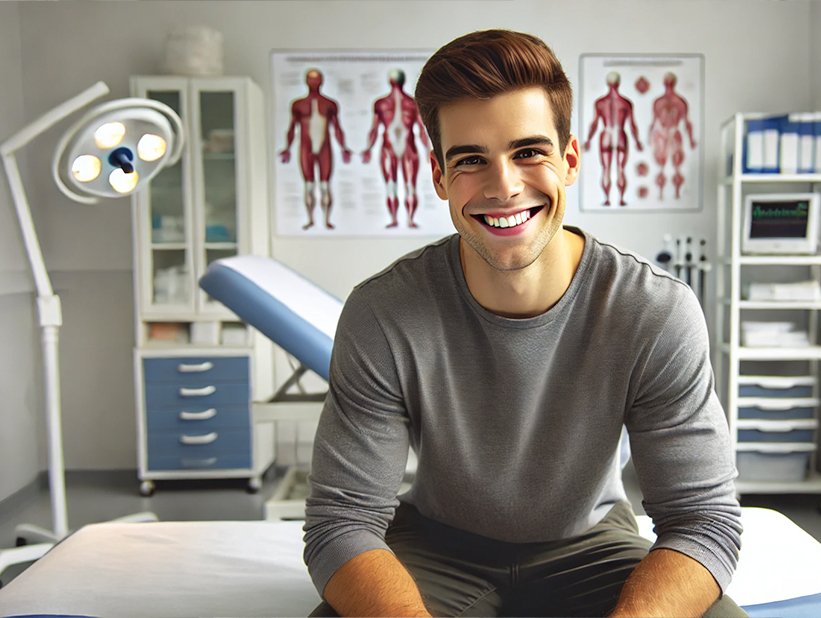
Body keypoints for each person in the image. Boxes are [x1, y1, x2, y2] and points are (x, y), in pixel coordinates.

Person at [304, 29, 743, 618]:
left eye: (529, 152)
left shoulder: (654, 312)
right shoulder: (384, 314)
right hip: (433, 547)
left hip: (592, 545)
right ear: (438, 177)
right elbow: (342, 522)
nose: (504, 185)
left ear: (570, 160)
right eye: (470, 160)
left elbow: (704, 520)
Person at [279, 68, 353, 230]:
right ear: (306, 81)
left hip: (324, 148)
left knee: (325, 185)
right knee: (309, 185)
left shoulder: (330, 104)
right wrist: (287, 148)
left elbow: (337, 128)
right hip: (306, 148)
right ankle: (311, 219)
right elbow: (292, 128)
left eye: (317, 78)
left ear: (322, 81)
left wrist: (343, 147)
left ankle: (326, 219)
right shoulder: (298, 105)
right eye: (311, 78)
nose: (314, 82)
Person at [361, 69, 432, 229]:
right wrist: (427, 149)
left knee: (398, 187)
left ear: (390, 81)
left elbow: (374, 130)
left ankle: (401, 219)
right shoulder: (409, 103)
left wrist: (368, 149)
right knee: (405, 186)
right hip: (400, 148)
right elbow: (421, 129)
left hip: (397, 148)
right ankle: (405, 219)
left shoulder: (386, 103)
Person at [583, 71, 643, 207]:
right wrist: (637, 141)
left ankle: (607, 199)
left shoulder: (600, 103)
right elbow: (632, 125)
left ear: (608, 83)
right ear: (619, 83)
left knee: (606, 169)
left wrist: (588, 140)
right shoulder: (626, 103)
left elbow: (594, 124)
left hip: (606, 135)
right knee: (621, 169)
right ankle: (621, 199)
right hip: (620, 135)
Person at [649, 71, 697, 201]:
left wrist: (691, 139)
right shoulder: (659, 102)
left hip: (674, 133)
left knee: (676, 166)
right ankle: (661, 193)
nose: (668, 85)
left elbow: (687, 122)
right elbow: (653, 122)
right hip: (662, 134)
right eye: (667, 82)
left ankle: (676, 193)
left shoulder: (680, 102)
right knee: (661, 165)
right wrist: (650, 138)